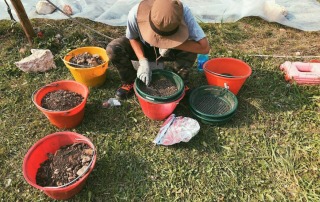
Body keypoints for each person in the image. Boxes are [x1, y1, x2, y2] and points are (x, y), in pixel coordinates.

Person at [106, 0, 210, 100]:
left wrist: (173, 44)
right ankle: (130, 81)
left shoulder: (183, 12)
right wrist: (142, 60)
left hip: (169, 51)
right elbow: (132, 37)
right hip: (145, 46)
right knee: (114, 48)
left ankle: (180, 82)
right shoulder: (136, 13)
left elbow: (204, 47)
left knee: (191, 48)